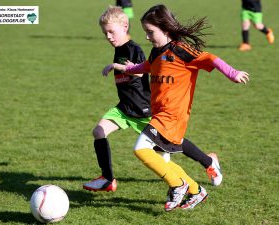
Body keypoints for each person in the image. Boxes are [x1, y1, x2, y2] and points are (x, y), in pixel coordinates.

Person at [102, 4, 249, 211]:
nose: (147, 37)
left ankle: (178, 184)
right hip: (159, 114)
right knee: (163, 159)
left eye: (150, 32)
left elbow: (210, 58)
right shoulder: (155, 52)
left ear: (165, 29)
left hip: (172, 117)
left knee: (141, 149)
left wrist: (232, 73)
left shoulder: (182, 50)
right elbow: (144, 68)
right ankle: (196, 191)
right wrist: (123, 67)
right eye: (145, 32)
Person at [83, 6, 223, 196]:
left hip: (144, 109)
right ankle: (107, 179)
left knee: (173, 144)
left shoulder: (134, 49)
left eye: (111, 31)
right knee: (99, 131)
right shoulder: (118, 49)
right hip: (125, 108)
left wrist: (119, 67)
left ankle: (208, 162)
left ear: (125, 27)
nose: (108, 36)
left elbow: (143, 71)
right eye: (105, 33)